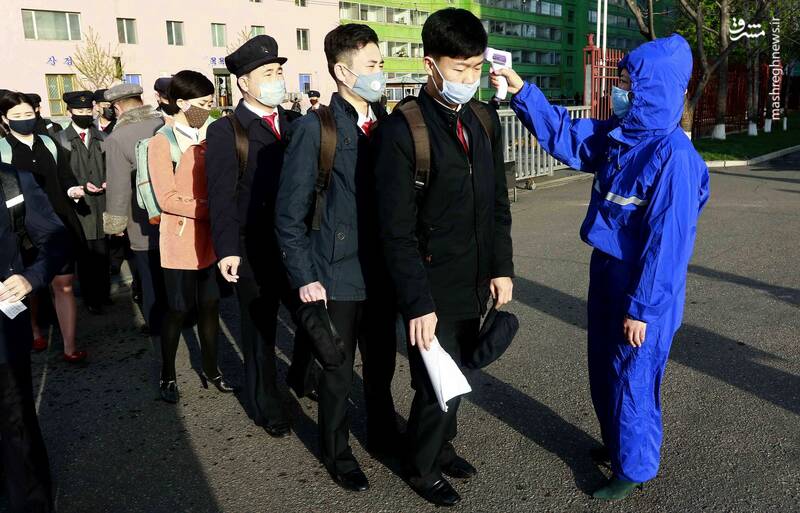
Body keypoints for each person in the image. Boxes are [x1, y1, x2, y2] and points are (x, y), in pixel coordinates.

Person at [495, 33, 710, 499]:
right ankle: (617, 444)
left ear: (654, 90)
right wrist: (521, 91)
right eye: (623, 82)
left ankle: (634, 467)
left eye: (631, 85)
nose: (621, 91)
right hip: (609, 271)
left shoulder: (674, 158)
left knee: (633, 376)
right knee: (604, 367)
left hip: (643, 285)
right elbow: (570, 137)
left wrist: (642, 310)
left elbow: (667, 248)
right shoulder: (624, 135)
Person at [372, 9, 514, 507]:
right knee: (437, 383)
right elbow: (395, 231)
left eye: (476, 67)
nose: (469, 79)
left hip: (475, 278)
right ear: (430, 65)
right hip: (431, 283)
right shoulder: (403, 130)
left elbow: (497, 203)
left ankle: (442, 446)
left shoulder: (483, 120)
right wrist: (417, 303)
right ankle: (422, 466)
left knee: (459, 374)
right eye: (459, 68)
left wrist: (501, 268)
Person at [275, 23, 401, 492]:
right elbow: (289, 215)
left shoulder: (387, 126)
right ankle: (337, 451)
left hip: (382, 271)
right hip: (335, 272)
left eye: (381, 63)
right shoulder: (316, 128)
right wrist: (305, 276)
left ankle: (384, 434)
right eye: (372, 65)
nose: (380, 73)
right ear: (343, 72)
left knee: (382, 365)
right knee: (337, 369)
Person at [206, 34, 308, 437]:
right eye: (268, 73)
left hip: (297, 246)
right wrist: (227, 249)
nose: (277, 79)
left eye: (279, 71)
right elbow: (221, 197)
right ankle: (268, 406)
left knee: (311, 320)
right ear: (244, 83)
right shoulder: (227, 131)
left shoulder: (297, 124)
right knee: (260, 332)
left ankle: (302, 375)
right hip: (254, 249)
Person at [148, 70, 233, 403]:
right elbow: (166, 198)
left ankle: (212, 370)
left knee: (211, 306)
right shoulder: (162, 141)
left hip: (211, 239)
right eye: (203, 103)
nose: (208, 108)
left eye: (211, 102)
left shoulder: (215, 133)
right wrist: (214, 208)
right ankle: (167, 374)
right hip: (180, 240)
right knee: (178, 308)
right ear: (181, 103)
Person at [0, 160, 69, 513]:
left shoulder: (12, 181)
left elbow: (56, 238)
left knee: (17, 427)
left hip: (4, 334)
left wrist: (32, 277)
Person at [0, 92, 88, 363]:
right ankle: (35, 331)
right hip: (22, 229)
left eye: (28, 114)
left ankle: (70, 346)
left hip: (57, 222)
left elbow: (64, 176)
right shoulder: (3, 149)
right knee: (31, 285)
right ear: (5, 119)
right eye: (17, 116)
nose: (24, 120)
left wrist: (73, 190)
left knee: (64, 284)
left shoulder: (49, 142)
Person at [102, 84, 166, 336]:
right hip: (175, 212)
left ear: (117, 108)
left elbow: (118, 187)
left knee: (149, 275)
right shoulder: (163, 124)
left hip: (142, 217)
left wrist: (115, 224)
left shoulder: (117, 138)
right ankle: (184, 314)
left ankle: (157, 323)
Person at [54, 91, 111, 315]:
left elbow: (110, 164)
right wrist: (77, 189)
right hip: (79, 207)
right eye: (79, 111)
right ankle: (91, 298)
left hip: (102, 203)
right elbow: (61, 175)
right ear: (69, 112)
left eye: (88, 110)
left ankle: (104, 293)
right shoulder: (61, 140)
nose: (85, 114)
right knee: (86, 255)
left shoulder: (102, 137)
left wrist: (108, 180)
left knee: (103, 250)